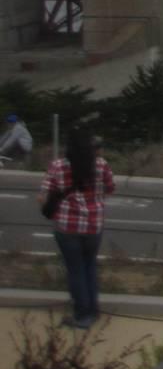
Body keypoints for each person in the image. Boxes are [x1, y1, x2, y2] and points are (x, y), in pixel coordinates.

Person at [37, 127, 115, 329]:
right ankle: (93, 310)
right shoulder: (101, 165)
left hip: (67, 227)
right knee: (89, 266)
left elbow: (43, 196)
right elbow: (110, 189)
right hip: (93, 226)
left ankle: (81, 314)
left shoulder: (58, 166)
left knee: (75, 270)